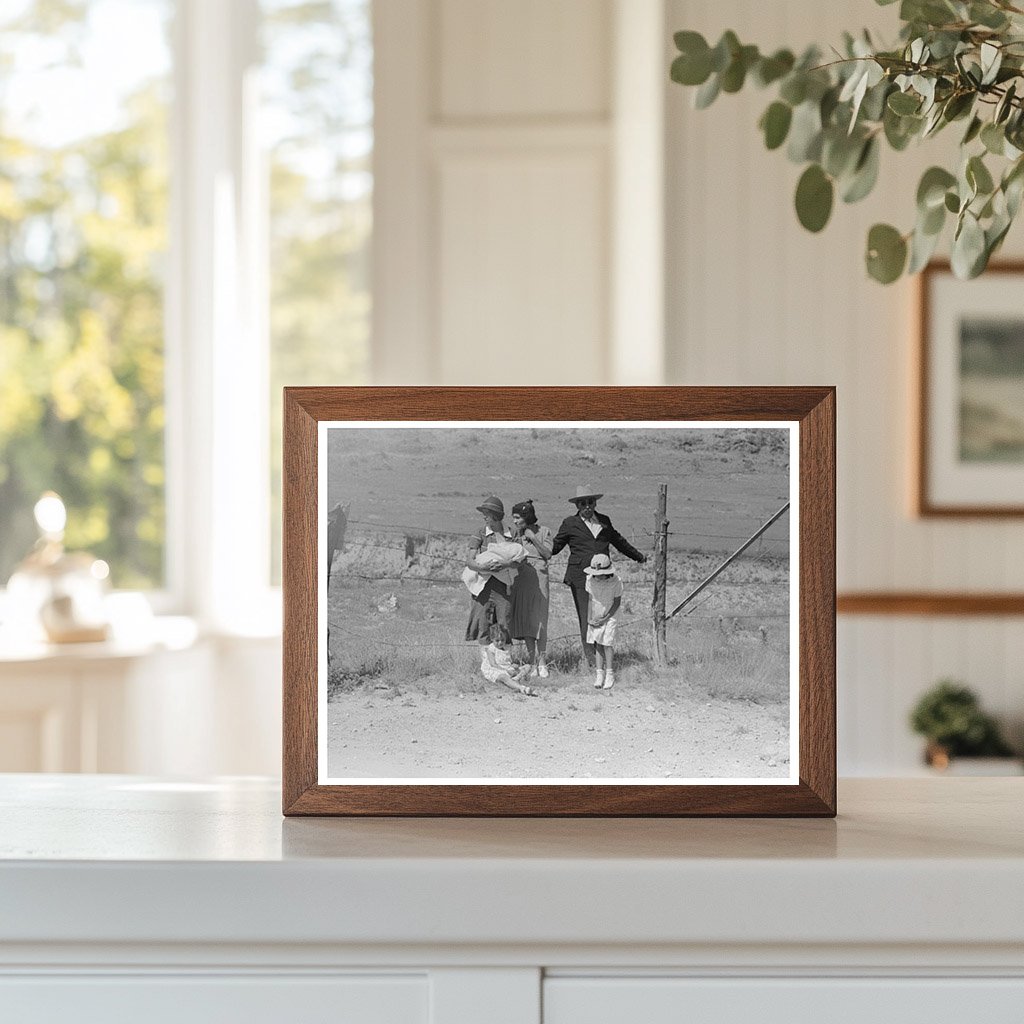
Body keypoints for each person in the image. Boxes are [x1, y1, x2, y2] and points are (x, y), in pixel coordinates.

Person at [551, 485, 646, 669]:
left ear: (595, 503)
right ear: (577, 505)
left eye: (590, 502)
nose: (587, 506)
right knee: (587, 619)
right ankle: (592, 662)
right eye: (583, 503)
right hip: (580, 578)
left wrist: (638, 556)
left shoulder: (604, 521)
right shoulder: (569, 523)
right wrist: (535, 541)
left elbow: (619, 542)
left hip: (603, 578)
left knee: (603, 616)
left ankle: (603, 660)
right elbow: (554, 548)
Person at [464, 495, 522, 643]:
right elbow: (470, 561)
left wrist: (506, 565)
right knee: (483, 622)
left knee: (504, 622)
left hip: (504, 586)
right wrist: (482, 566)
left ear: (495, 516)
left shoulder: (512, 533)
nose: (484, 518)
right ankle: (487, 662)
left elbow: (521, 560)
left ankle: (503, 659)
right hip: (484, 585)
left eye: (487, 515)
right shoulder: (480, 533)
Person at [509, 499, 553, 678]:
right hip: (521, 579)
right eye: (513, 518)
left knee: (539, 619)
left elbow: (548, 554)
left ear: (527, 517)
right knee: (527, 619)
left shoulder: (544, 532)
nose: (514, 521)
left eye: (517, 517)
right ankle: (532, 661)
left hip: (539, 579)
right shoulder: (514, 535)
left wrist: (533, 538)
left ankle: (542, 662)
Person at [584, 553, 623, 689]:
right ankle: (599, 674)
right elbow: (590, 599)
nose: (598, 575)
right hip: (596, 614)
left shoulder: (616, 582)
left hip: (610, 614)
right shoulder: (590, 580)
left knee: (607, 643)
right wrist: (589, 618)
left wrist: (606, 618)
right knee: (598, 643)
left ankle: (610, 673)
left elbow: (617, 602)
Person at [479, 610, 538, 697]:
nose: (500, 643)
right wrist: (506, 670)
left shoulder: (506, 647)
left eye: (502, 640)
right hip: (496, 669)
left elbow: (507, 661)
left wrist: (513, 665)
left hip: (506, 667)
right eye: (497, 640)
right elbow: (493, 664)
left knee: (527, 667)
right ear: (492, 639)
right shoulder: (491, 649)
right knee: (503, 677)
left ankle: (515, 678)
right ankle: (522, 688)